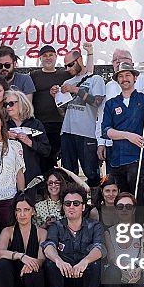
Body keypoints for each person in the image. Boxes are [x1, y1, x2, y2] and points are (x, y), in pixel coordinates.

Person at [100, 62, 144, 220]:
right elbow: (106, 131)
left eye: (128, 75)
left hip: (140, 157)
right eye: (121, 76)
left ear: (135, 77)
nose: (124, 79)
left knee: (139, 200)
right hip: (117, 160)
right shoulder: (111, 103)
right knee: (121, 201)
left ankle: (140, 237)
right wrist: (129, 135)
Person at [42, 185, 105, 287]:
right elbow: (48, 246)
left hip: (85, 279)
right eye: (67, 203)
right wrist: (58, 260)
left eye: (76, 203)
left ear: (83, 207)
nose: (71, 207)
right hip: (63, 279)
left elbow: (100, 248)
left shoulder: (94, 226)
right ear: (63, 207)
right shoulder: (56, 226)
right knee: (50, 264)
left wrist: (85, 261)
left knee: (95, 264)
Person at [0, 194, 48, 287]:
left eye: (26, 210)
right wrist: (21, 256)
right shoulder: (8, 231)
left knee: (36, 268)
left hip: (33, 282)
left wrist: (30, 264)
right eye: (19, 210)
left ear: (33, 211)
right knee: (3, 264)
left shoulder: (41, 232)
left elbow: (41, 259)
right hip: (13, 284)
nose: (22, 214)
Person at [59, 48, 105, 187]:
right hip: (67, 131)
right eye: (65, 66)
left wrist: (76, 90)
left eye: (70, 64)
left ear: (80, 60)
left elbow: (97, 102)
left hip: (87, 133)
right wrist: (56, 97)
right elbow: (62, 111)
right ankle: (71, 205)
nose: (68, 68)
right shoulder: (68, 81)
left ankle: (95, 206)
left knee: (92, 174)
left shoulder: (95, 79)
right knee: (68, 173)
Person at [96, 47, 144, 162]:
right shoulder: (108, 86)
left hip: (138, 145)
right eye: (115, 60)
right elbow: (102, 117)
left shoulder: (143, 80)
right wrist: (101, 143)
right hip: (112, 145)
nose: (118, 61)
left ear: (131, 62)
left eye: (122, 58)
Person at [102, 192, 144, 287]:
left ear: (134, 209)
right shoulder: (109, 232)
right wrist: (125, 267)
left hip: (136, 275)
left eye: (128, 206)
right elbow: (111, 257)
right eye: (120, 207)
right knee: (112, 270)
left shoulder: (142, 231)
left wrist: (138, 268)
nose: (124, 210)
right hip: (117, 276)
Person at [29, 45, 69, 173]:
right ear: (40, 59)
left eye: (51, 55)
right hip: (39, 123)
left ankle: (56, 184)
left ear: (56, 57)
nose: (48, 58)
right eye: (45, 56)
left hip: (59, 122)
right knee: (41, 157)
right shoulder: (34, 75)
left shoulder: (64, 74)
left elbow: (86, 73)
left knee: (55, 157)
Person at [4, 90, 50, 184]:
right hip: (9, 176)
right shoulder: (4, 125)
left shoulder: (35, 124)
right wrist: (4, 136)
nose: (8, 107)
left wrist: (30, 142)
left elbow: (46, 150)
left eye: (11, 103)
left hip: (31, 174)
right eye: (6, 104)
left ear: (21, 103)